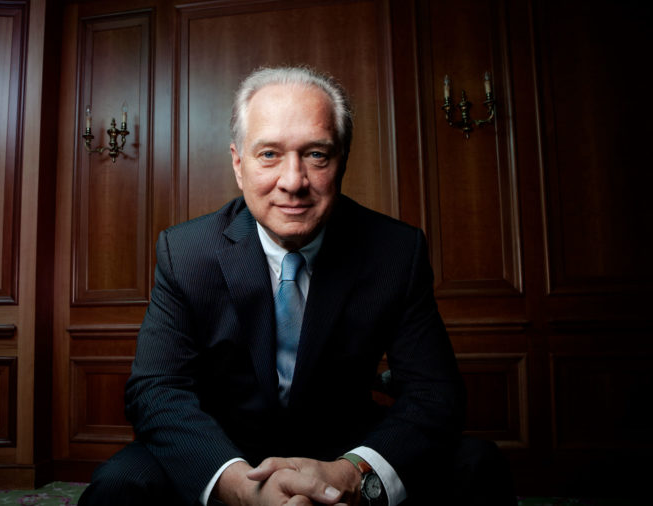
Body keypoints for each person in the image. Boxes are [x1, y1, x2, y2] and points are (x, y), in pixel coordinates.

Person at [79, 66, 515, 506]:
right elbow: (155, 389)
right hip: (224, 449)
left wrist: (351, 475)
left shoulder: (395, 252)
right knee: (120, 487)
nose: (293, 182)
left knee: (478, 464)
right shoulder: (186, 251)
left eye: (316, 155)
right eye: (269, 154)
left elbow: (434, 392)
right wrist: (239, 487)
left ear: (341, 159)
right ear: (238, 164)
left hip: (343, 449)